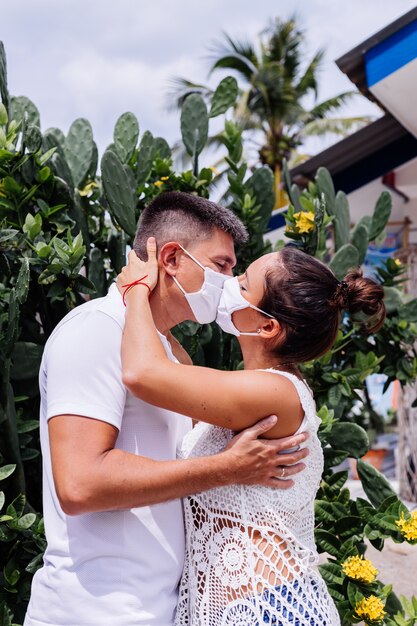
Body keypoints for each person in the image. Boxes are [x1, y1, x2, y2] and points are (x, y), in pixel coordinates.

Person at [24, 192, 309, 626]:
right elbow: (80, 484)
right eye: (222, 266)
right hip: (95, 613)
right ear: (172, 259)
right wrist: (225, 467)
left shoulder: (166, 359)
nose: (230, 285)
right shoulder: (97, 330)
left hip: (158, 611)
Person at [117, 238, 386, 626]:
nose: (227, 285)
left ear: (267, 325)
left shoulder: (275, 392)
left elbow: (143, 373)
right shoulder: (255, 389)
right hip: (246, 607)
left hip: (270, 610)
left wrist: (136, 289)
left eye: (242, 283)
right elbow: (173, 366)